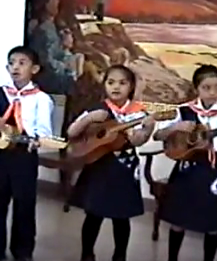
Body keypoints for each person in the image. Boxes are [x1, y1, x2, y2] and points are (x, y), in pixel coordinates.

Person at [0, 46, 54, 261]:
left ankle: (22, 252)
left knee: (24, 204)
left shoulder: (41, 99)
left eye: (22, 63)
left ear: (34, 69)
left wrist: (35, 141)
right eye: (12, 63)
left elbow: (44, 133)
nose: (15, 67)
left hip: (24, 156)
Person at [153, 65, 217, 261]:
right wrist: (176, 127)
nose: (212, 93)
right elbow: (159, 134)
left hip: (214, 168)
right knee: (178, 218)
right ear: (197, 89)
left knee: (213, 223)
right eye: (206, 88)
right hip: (187, 167)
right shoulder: (184, 111)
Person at [67, 65, 156, 261]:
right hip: (98, 165)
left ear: (131, 86)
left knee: (121, 216)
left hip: (124, 166)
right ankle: (87, 254)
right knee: (93, 214)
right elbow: (72, 132)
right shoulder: (97, 108)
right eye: (111, 82)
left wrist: (147, 130)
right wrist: (89, 118)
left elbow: (136, 141)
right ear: (104, 85)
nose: (116, 87)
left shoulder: (138, 112)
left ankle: (120, 255)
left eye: (122, 83)